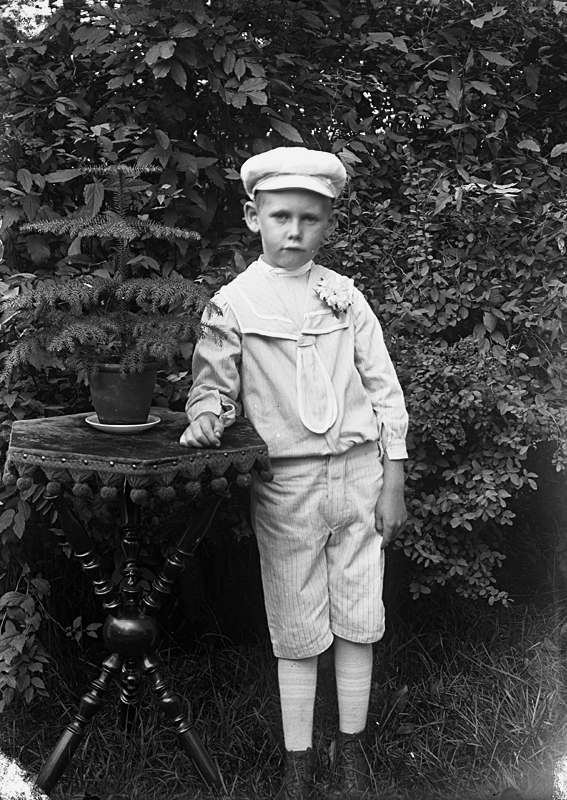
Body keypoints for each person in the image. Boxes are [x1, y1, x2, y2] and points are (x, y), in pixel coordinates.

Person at [180, 147, 409, 799]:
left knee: (360, 612)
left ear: (327, 224)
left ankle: (350, 747)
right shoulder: (232, 303)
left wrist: (393, 479)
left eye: (310, 219)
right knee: (296, 622)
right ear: (254, 217)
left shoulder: (344, 297)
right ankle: (299, 760)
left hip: (359, 476)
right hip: (287, 484)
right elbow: (212, 382)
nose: (294, 231)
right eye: (281, 216)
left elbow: (382, 386)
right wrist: (206, 415)